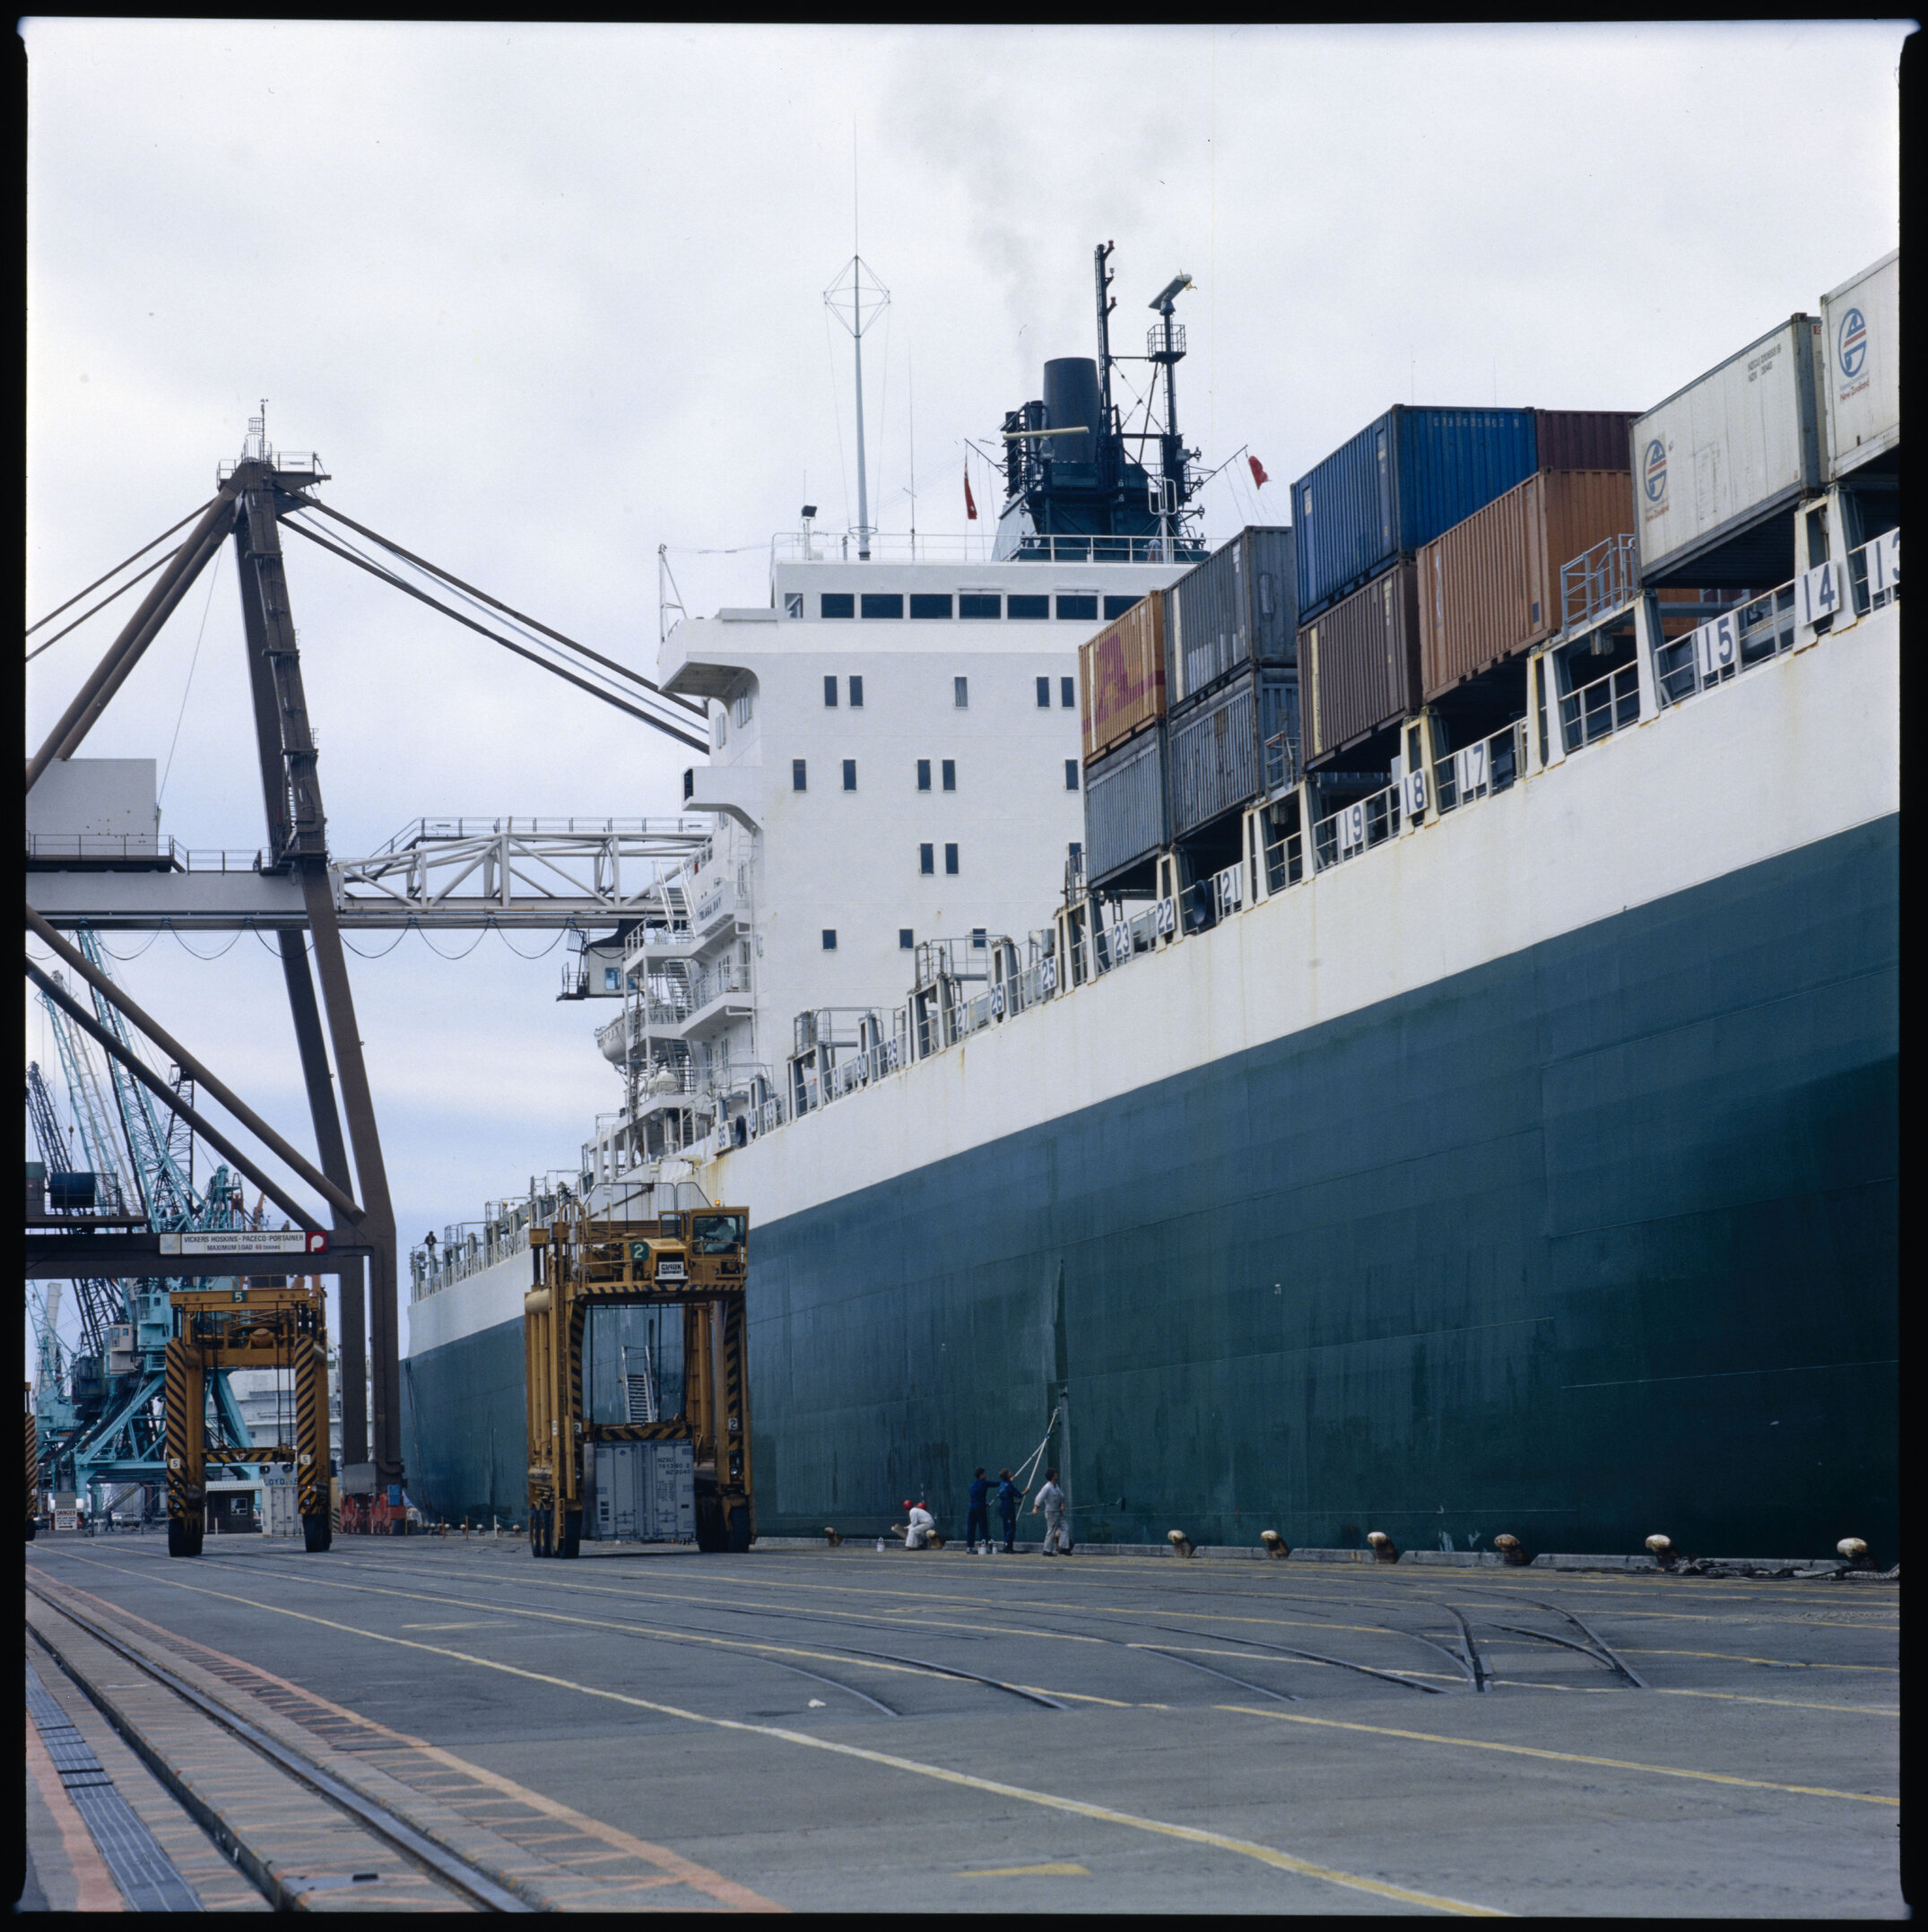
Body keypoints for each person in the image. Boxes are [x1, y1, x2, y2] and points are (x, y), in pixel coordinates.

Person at [1032, 1468, 1067, 1555]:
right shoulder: (1047, 1487)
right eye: (1055, 1474)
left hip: (1058, 1512)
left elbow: (1062, 1496)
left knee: (1065, 1527)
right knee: (1051, 1531)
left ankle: (1063, 1547)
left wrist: (1062, 1505)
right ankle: (1047, 1550)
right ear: (1052, 1476)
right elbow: (1039, 1497)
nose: (1057, 1475)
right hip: (1051, 1512)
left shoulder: (1056, 1486)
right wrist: (1036, 1508)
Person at [965, 1468, 991, 1553]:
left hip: (972, 1507)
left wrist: (983, 1503)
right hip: (980, 1508)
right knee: (983, 1527)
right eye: (984, 1474)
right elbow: (995, 1484)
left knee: (971, 1527)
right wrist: (1008, 1481)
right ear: (981, 1475)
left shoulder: (972, 1485)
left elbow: (976, 1497)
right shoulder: (984, 1483)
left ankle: (969, 1547)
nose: (985, 1475)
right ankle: (984, 1547)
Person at [995, 1469, 1019, 1552]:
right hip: (1009, 1509)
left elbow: (1006, 1497)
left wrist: (1015, 1502)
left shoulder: (1002, 1484)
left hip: (1003, 1508)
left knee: (1006, 1528)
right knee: (1011, 1528)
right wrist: (1025, 1492)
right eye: (1009, 1472)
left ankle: (1006, 1546)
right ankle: (1008, 1547)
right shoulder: (1009, 1485)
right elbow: (1019, 1495)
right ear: (1007, 1475)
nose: (1010, 1473)